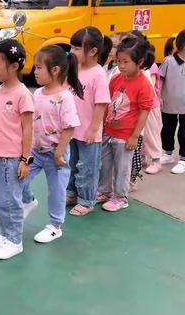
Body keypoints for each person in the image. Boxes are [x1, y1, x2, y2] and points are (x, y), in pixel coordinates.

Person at [22, 45, 82, 244]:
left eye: (39, 67)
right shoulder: (38, 93)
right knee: (19, 179)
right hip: (36, 151)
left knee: (57, 191)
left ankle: (55, 226)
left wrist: (59, 153)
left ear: (55, 70)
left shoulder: (65, 98)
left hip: (56, 154)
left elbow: (70, 127)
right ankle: (28, 201)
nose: (35, 71)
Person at [0, 39, 34, 260]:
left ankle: (15, 240)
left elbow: (28, 129)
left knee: (10, 201)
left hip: (12, 158)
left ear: (13, 67)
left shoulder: (22, 94)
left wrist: (25, 159)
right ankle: (5, 234)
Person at [97, 36, 154, 211]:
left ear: (140, 61)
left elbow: (144, 112)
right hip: (109, 131)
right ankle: (104, 191)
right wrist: (102, 126)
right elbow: (107, 103)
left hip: (126, 136)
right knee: (104, 164)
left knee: (122, 168)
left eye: (126, 62)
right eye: (119, 61)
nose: (121, 65)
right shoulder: (116, 79)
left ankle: (121, 197)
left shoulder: (144, 84)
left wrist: (134, 137)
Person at [67, 27, 110, 216]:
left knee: (88, 168)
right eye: (72, 48)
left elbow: (101, 104)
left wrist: (94, 129)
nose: (72, 52)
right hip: (72, 129)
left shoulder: (98, 74)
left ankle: (86, 200)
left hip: (89, 132)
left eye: (77, 48)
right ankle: (71, 193)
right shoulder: (73, 69)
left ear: (92, 51)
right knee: (70, 163)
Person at [159, 29, 185, 174]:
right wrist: (158, 96)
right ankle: (168, 153)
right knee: (167, 129)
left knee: (184, 133)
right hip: (169, 103)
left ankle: (183, 158)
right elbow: (161, 79)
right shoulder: (168, 61)